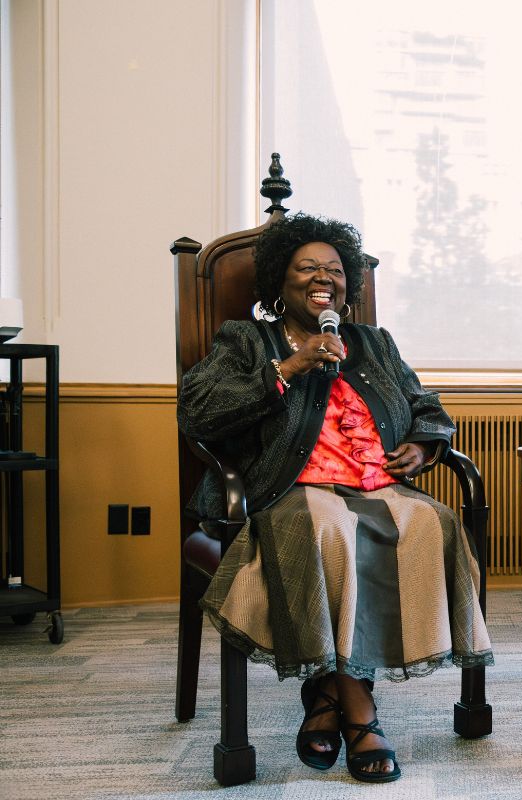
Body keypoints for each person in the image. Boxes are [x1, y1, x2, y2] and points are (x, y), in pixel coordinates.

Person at [179, 213, 493, 783]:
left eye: (336, 269)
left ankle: (323, 699)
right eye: (308, 267)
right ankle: (360, 716)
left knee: (434, 522)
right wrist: (290, 367)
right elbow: (199, 411)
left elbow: (427, 407)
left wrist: (424, 448)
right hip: (293, 486)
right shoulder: (246, 340)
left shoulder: (373, 344)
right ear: (279, 282)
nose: (325, 277)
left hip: (376, 482)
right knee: (326, 531)